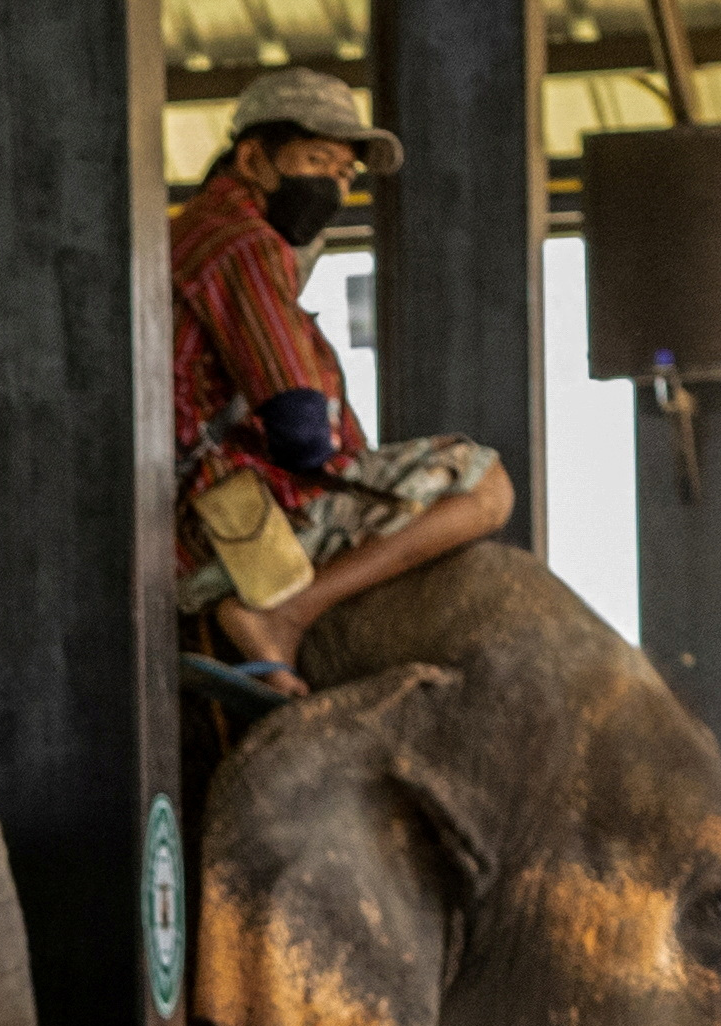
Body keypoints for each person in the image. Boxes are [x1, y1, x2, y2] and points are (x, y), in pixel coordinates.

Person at [170, 68, 514, 693]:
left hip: (197, 503)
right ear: (253, 160)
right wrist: (345, 469)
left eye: (345, 174)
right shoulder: (243, 241)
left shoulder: (193, 233)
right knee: (484, 483)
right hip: (226, 514)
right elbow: (298, 422)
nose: (332, 185)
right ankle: (283, 612)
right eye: (316, 161)